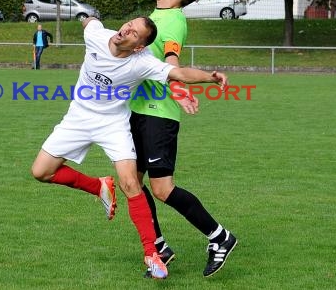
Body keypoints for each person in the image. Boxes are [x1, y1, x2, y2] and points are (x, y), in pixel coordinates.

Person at [30, 15, 228, 279]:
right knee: (41, 172)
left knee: (131, 184)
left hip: (113, 125)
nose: (126, 30)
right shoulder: (97, 36)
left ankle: (152, 253)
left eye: (134, 33)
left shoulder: (142, 62)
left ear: (139, 47)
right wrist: (88, 17)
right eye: (128, 25)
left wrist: (210, 77)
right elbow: (90, 21)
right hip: (77, 118)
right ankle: (98, 186)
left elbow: (177, 72)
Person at [129, 0, 238, 278]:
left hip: (158, 115)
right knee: (131, 182)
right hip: (138, 111)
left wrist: (178, 90)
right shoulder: (154, 17)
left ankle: (220, 237)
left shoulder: (173, 20)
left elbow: (171, 60)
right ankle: (158, 247)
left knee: (162, 189)